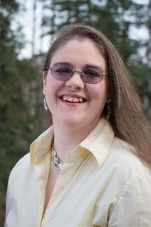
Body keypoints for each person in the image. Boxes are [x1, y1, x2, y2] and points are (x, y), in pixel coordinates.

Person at [5, 24, 151, 227]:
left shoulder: (130, 176)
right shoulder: (22, 172)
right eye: (63, 70)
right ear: (45, 81)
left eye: (91, 74)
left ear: (109, 91)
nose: (75, 82)